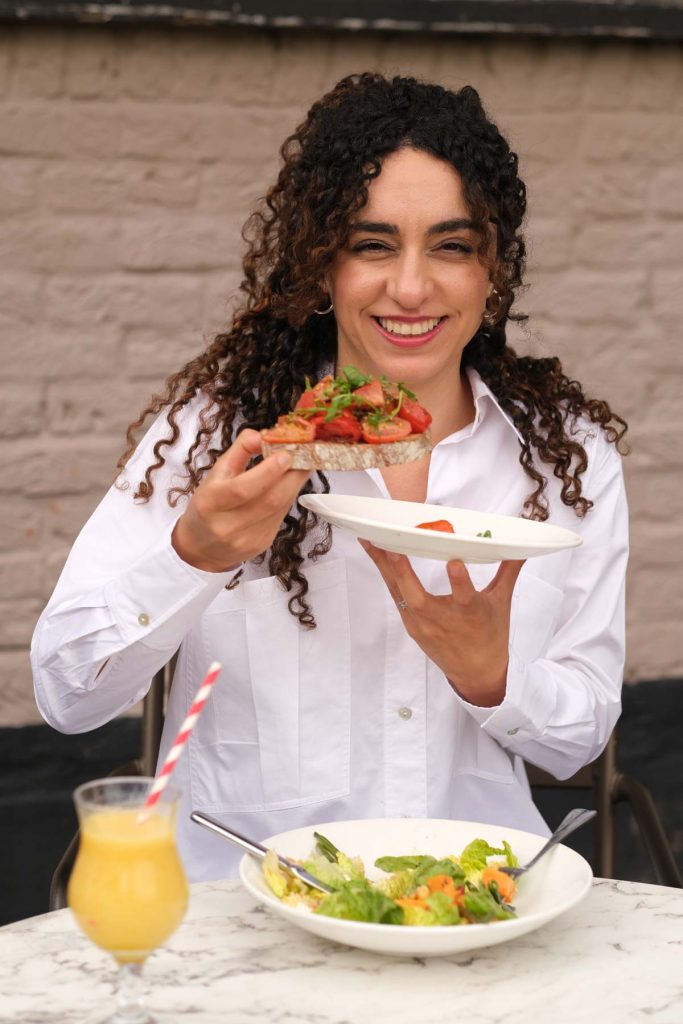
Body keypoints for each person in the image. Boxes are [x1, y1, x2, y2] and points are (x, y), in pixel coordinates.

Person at [31, 73, 628, 883]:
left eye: (451, 246)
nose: (410, 287)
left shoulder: (569, 459)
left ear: (494, 271)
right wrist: (191, 554)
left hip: (472, 902)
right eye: (371, 245)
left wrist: (494, 679)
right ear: (321, 266)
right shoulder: (219, 432)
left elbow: (578, 739)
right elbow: (67, 696)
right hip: (239, 902)